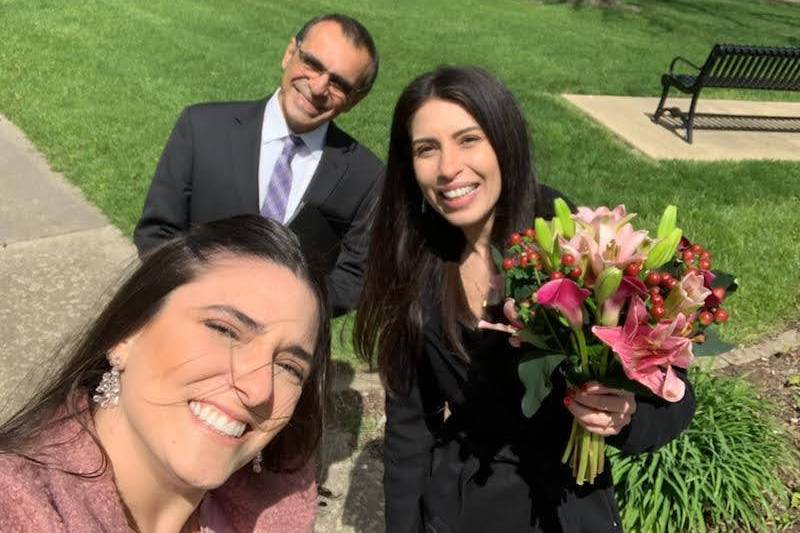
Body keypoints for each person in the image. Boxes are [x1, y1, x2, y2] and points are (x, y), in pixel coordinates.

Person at [354, 66, 696, 533]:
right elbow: (410, 427)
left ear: (504, 141)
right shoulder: (416, 259)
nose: (449, 167)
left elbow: (675, 397)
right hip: (464, 503)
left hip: (565, 505)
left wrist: (624, 416)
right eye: (426, 149)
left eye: (468, 139)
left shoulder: (574, 244)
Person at [0, 215, 329, 532]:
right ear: (126, 333)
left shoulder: (279, 508)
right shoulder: (17, 504)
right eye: (225, 331)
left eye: (288, 367)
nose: (258, 390)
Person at [133, 14, 384, 317]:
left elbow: (353, 277)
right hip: (190, 323)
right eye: (313, 64)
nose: (318, 87)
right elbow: (157, 233)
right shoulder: (201, 129)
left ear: (355, 100)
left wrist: (289, 312)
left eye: (339, 83)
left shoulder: (366, 176)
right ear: (290, 53)